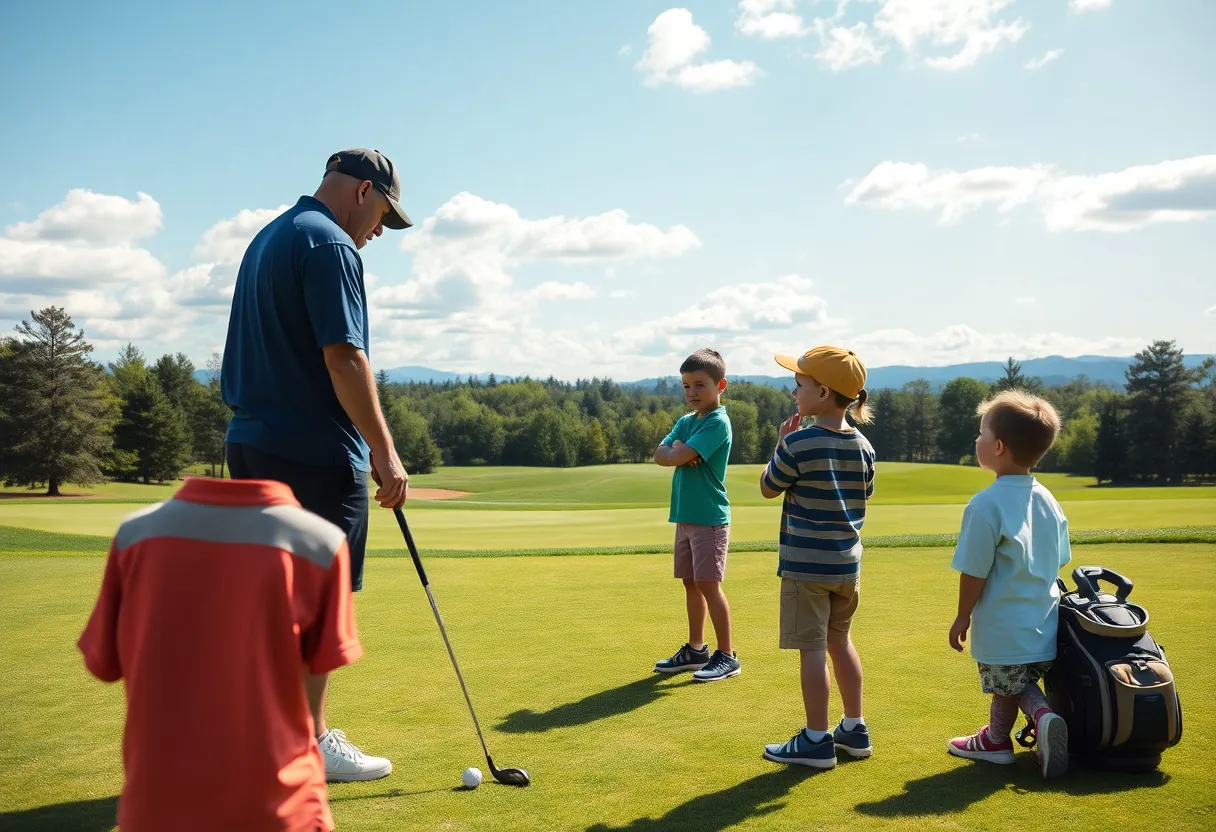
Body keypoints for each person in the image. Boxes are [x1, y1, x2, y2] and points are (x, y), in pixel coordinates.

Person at [220, 148, 412, 781]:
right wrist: (385, 452)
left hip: (251, 444)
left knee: (273, 601)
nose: (381, 229)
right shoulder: (332, 245)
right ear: (363, 191)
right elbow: (345, 358)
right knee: (319, 603)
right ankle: (310, 743)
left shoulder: (269, 237)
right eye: (385, 212)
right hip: (314, 451)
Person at [77, 477, 363, 831]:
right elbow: (320, 672)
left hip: (155, 809)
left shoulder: (135, 534)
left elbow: (102, 664)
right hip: (281, 809)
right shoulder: (321, 542)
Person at [759, 346, 876, 769]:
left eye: (800, 384)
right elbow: (864, 494)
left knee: (811, 648)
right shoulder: (863, 446)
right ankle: (854, 728)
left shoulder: (799, 442)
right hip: (846, 567)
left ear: (823, 392)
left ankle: (815, 740)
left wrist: (782, 444)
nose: (794, 390)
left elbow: (769, 487)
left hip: (806, 567)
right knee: (839, 641)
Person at [947, 390, 1071, 780]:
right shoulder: (1049, 499)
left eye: (981, 433)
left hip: (1003, 621)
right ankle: (1002, 735)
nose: (977, 439)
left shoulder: (985, 504)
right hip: (1045, 619)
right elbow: (1060, 558)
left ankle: (1027, 724)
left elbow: (974, 571)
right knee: (1018, 679)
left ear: (998, 447)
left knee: (1008, 680)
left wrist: (961, 616)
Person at [652, 348, 740, 682]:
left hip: (709, 517)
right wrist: (677, 453)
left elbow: (678, 453)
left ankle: (727, 655)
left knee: (708, 584)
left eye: (700, 385)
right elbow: (661, 455)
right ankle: (696, 649)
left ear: (721, 386)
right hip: (686, 516)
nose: (692, 392)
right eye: (686, 385)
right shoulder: (687, 421)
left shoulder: (718, 422)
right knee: (690, 583)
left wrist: (679, 453)